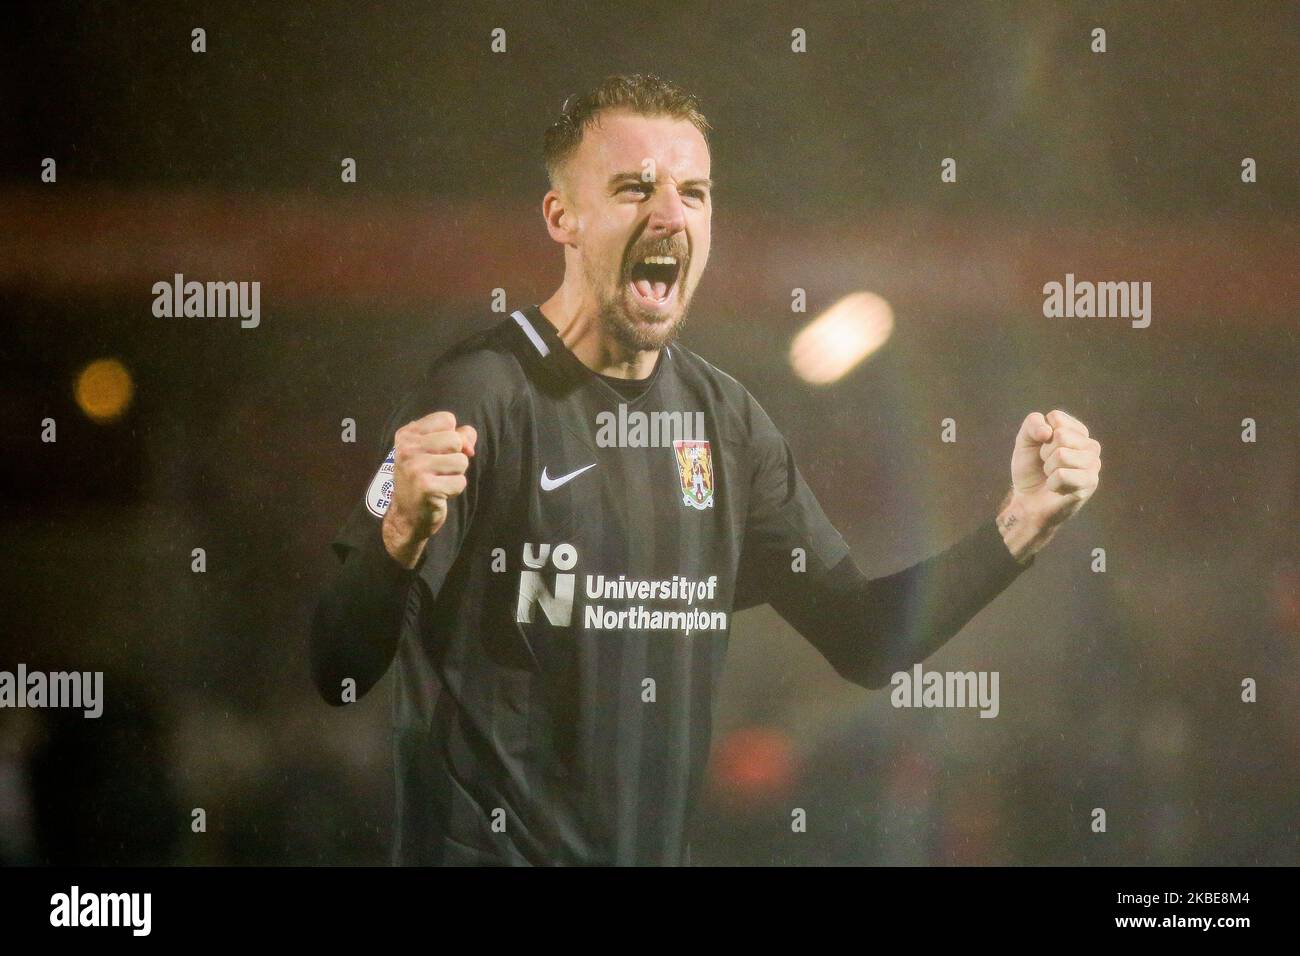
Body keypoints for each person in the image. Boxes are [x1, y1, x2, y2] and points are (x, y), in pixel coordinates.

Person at [309, 74, 1102, 866]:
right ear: (564, 218)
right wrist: (400, 534)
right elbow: (338, 669)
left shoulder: (726, 425)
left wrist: (1020, 525)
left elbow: (864, 641)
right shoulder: (481, 394)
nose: (669, 214)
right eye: (633, 189)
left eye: (693, 192)